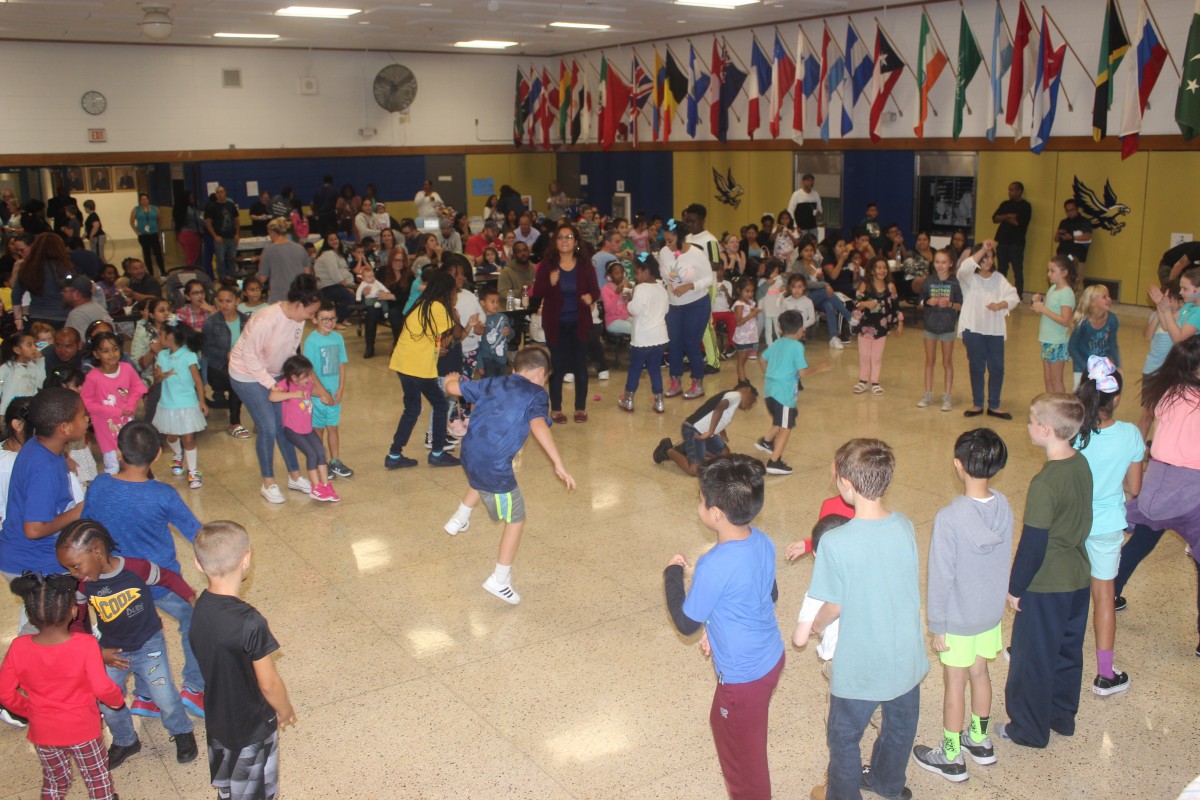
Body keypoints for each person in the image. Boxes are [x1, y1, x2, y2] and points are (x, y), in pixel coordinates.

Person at [806, 438, 927, 800]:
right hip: (906, 657)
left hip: (861, 665)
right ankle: (889, 785)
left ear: (847, 484)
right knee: (900, 727)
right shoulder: (905, 525)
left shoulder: (835, 543)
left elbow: (834, 605)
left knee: (843, 737)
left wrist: (816, 625)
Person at [663, 454, 783, 799]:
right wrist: (716, 630)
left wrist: (672, 574)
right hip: (770, 656)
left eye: (700, 498)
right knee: (723, 721)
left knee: (745, 765)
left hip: (743, 676)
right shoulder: (762, 540)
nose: (698, 503)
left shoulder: (713, 564)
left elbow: (686, 622)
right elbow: (766, 594)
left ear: (715, 513)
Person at [55, 519, 198, 768]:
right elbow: (78, 621)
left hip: (149, 645)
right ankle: (125, 740)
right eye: (69, 568)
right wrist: (96, 651)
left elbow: (168, 578)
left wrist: (191, 597)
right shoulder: (82, 584)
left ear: (98, 551)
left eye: (76, 566)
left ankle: (182, 730)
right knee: (108, 701)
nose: (74, 574)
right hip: (111, 652)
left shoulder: (136, 569)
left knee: (164, 696)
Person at [911, 429, 1012, 782]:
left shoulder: (950, 517)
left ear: (958, 465)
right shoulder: (1004, 506)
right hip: (990, 615)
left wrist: (937, 623)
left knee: (955, 683)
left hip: (957, 619)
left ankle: (951, 756)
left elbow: (941, 574)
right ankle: (980, 741)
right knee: (981, 673)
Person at [442, 346, 575, 603]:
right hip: (494, 465)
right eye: (545, 378)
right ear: (539, 373)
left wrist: (450, 381)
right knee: (516, 518)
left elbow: (453, 389)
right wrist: (557, 463)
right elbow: (538, 425)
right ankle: (499, 580)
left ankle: (459, 518)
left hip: (468, 454)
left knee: (481, 477)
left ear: (515, 370)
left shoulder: (495, 381)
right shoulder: (537, 394)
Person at [997, 393, 1092, 749]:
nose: (1027, 426)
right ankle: (1060, 716)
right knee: (1067, 651)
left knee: (1031, 658)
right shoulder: (1080, 463)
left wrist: (1016, 587)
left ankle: (1028, 729)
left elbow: (1034, 543)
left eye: (1032, 420)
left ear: (1046, 430)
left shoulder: (1044, 483)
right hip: (1079, 577)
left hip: (1046, 584)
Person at [190, 520, 296, 800]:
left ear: (198, 565)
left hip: (218, 720)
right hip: (252, 727)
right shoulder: (250, 622)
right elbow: (269, 683)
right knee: (255, 791)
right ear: (246, 559)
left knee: (229, 785)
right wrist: (284, 710)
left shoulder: (200, 608)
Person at [0, 572, 126, 800]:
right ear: (74, 611)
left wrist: (29, 710)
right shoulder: (86, 645)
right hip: (83, 730)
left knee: (55, 780)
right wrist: (117, 701)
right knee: (97, 778)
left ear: (29, 615)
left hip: (43, 732)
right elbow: (102, 688)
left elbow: (4, 692)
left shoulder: (19, 647)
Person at [1112, 336, 1200, 652]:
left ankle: (1110, 592)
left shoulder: (1167, 394)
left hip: (1158, 488)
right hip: (1193, 494)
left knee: (1141, 541)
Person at [1070, 359, 1143, 698]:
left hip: (1070, 523)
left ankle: (1031, 648)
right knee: (1103, 597)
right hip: (1106, 527)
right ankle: (1104, 675)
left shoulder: (1072, 431)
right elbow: (1135, 488)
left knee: (1062, 592)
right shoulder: (1130, 434)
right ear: (1115, 399)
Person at [790, 513, 874, 800]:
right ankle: (885, 772)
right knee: (881, 715)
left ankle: (837, 790)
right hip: (878, 658)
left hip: (843, 667)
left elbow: (799, 640)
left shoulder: (818, 589)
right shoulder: (871, 571)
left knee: (841, 735)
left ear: (815, 554)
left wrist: (815, 626)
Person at [385, 270, 461, 469]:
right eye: (454, 292)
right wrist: (454, 312)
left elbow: (427, 336)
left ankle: (394, 454)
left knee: (412, 408)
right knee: (441, 405)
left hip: (403, 363)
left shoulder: (422, 304)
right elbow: (454, 333)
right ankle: (437, 453)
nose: (456, 295)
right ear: (447, 291)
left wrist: (436, 348)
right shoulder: (439, 308)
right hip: (418, 366)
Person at [530, 222, 600, 423]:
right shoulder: (547, 264)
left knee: (580, 367)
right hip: (556, 323)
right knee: (557, 368)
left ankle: (580, 408)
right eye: (561, 237)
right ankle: (557, 409)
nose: (565, 241)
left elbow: (595, 290)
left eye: (569, 237)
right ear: (555, 242)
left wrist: (590, 298)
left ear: (576, 241)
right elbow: (537, 292)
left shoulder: (585, 265)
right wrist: (549, 282)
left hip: (579, 323)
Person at [757, 310, 824, 476]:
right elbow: (802, 372)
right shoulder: (797, 346)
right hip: (784, 394)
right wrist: (820, 367)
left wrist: (768, 373)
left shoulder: (777, 343)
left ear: (779, 327)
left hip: (769, 392)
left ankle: (766, 442)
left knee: (779, 421)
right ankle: (774, 461)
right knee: (786, 427)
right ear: (802, 329)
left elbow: (761, 358)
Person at [958, 240, 1020, 420]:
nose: (988, 261)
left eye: (990, 257)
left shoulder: (999, 278)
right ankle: (977, 403)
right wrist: (983, 249)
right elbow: (964, 268)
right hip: (973, 329)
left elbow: (1014, 296)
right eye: (984, 258)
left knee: (997, 368)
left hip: (994, 331)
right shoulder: (969, 279)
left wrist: (1000, 304)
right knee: (976, 367)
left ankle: (994, 404)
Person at [268, 355, 339, 502]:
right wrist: (292, 394)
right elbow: (272, 397)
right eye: (306, 376)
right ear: (294, 377)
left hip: (307, 429)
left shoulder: (305, 384)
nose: (310, 379)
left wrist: (322, 395)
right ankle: (316, 487)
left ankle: (326, 485)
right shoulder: (286, 384)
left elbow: (312, 390)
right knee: (312, 454)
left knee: (321, 452)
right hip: (292, 430)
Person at [652, 383, 757, 478]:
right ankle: (667, 450)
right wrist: (711, 431)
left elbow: (719, 415)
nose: (750, 406)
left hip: (704, 432)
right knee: (695, 470)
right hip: (694, 429)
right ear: (746, 390)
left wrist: (722, 432)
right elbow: (719, 408)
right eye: (752, 401)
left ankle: (687, 449)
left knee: (725, 455)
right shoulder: (736, 395)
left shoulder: (731, 397)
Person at [662, 216, 715, 400]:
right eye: (665, 240)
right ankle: (675, 381)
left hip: (697, 304)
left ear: (681, 237)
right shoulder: (663, 253)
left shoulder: (697, 254)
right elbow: (665, 275)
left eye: (670, 240)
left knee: (691, 343)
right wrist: (668, 285)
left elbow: (709, 279)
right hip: (674, 306)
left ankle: (697, 383)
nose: (667, 244)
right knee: (675, 343)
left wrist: (689, 286)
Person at [80, 332, 145, 474]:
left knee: (131, 460)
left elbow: (137, 386)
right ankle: (112, 491)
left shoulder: (127, 368)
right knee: (113, 466)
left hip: (127, 424)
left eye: (115, 349)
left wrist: (130, 404)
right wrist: (115, 412)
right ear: (96, 354)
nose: (112, 354)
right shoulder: (93, 377)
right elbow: (87, 402)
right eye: (105, 350)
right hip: (107, 429)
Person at [302, 302, 352, 479]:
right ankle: (320, 461)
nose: (329, 322)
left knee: (333, 427)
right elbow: (310, 370)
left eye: (332, 318)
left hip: (334, 394)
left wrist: (341, 388)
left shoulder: (337, 337)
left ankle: (335, 460)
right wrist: (322, 392)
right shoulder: (311, 341)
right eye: (324, 319)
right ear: (315, 319)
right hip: (318, 396)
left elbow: (341, 363)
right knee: (318, 430)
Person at [618, 253, 669, 413]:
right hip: (660, 337)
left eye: (637, 272)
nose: (636, 275)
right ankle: (659, 401)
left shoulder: (640, 288)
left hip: (643, 338)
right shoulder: (661, 286)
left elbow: (635, 310)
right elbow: (665, 309)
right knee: (654, 369)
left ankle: (628, 399)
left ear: (646, 271)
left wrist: (629, 301)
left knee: (635, 368)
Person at [202, 286, 251, 439]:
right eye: (221, 301)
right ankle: (234, 423)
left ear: (237, 301)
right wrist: (226, 354)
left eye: (228, 301)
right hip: (217, 365)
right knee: (236, 381)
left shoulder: (246, 321)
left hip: (241, 364)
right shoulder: (211, 322)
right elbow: (206, 348)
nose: (224, 305)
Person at [917, 249, 963, 412]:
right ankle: (928, 394)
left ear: (950, 264)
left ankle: (947, 396)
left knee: (947, 362)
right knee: (929, 360)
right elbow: (920, 303)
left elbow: (960, 305)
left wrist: (949, 305)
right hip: (930, 326)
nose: (940, 265)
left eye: (944, 262)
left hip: (947, 327)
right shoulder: (928, 282)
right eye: (937, 262)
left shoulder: (955, 283)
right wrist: (928, 301)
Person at [852, 257, 903, 396]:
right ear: (872, 270)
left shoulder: (890, 286)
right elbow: (856, 303)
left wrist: (900, 323)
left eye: (884, 267)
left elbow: (896, 306)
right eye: (878, 267)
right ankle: (862, 381)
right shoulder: (865, 285)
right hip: (865, 327)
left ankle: (875, 382)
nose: (882, 270)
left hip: (881, 328)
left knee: (876, 357)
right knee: (864, 355)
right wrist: (865, 304)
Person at [1029, 256, 1077, 393]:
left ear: (1064, 273)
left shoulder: (1066, 293)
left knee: (1056, 379)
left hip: (1057, 341)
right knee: (1048, 377)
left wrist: (1044, 309)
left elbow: (1066, 320)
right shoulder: (1053, 289)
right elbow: (1051, 309)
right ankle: (1050, 406)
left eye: (1052, 270)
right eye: (1048, 270)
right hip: (1047, 340)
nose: (1048, 274)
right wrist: (1039, 302)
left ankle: (1061, 409)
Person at [13, 233, 73, 329]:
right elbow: (72, 292)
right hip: (61, 316)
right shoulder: (65, 268)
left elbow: (16, 294)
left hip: (36, 317)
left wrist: (18, 319)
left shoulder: (28, 267)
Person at [1068, 285, 1120, 389]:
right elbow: (1072, 348)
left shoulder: (1112, 320)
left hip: (1102, 368)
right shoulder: (1082, 323)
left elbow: (1113, 345)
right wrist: (1087, 369)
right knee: (1082, 396)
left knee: (1102, 398)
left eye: (1109, 296)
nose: (1109, 299)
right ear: (1092, 302)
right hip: (1082, 368)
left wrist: (1117, 366)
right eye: (1104, 297)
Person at [257, 217, 311, 304]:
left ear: (272, 232)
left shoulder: (268, 250)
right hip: (299, 295)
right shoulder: (300, 248)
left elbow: (262, 278)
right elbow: (307, 273)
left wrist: (260, 265)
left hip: (279, 295)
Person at [991, 182, 1032, 297]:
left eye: (1013, 190)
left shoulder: (1025, 206)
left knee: (1017, 270)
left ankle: (1018, 295)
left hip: (1016, 243)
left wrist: (1003, 217)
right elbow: (995, 218)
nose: (1010, 192)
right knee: (1001, 269)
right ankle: (1000, 293)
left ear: (1020, 191)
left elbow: (1017, 222)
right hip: (1002, 241)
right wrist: (1008, 215)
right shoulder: (1005, 204)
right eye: (1009, 190)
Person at [0, 332, 46, 417]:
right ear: (17, 350)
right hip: (8, 411)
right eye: (29, 345)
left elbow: (41, 383)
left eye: (35, 345)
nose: (34, 348)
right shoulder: (8, 367)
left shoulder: (33, 367)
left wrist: (40, 361)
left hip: (28, 411)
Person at [314, 232, 356, 326]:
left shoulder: (338, 254)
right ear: (327, 242)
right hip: (328, 286)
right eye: (331, 240)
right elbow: (335, 273)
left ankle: (342, 317)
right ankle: (337, 321)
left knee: (356, 296)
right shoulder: (328, 254)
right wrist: (347, 286)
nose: (334, 241)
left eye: (335, 239)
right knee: (350, 299)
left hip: (337, 284)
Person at [730, 278, 762, 387]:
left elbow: (753, 319)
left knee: (744, 361)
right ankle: (742, 382)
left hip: (750, 336)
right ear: (739, 290)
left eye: (752, 291)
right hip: (743, 338)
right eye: (747, 291)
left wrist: (755, 313)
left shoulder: (750, 303)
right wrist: (751, 315)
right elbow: (738, 322)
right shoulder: (739, 304)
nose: (750, 294)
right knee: (741, 361)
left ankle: (742, 378)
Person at [204, 187, 241, 279]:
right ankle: (222, 280)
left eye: (221, 192)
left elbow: (236, 220)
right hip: (220, 238)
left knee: (231, 260)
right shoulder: (211, 206)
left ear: (225, 193)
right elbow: (208, 223)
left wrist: (237, 234)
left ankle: (232, 279)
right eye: (217, 192)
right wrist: (215, 236)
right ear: (216, 195)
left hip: (231, 237)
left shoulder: (230, 205)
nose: (220, 194)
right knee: (220, 260)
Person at [63, 275, 112, 339]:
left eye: (65, 291)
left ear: (76, 294)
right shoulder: (99, 308)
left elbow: (83, 347)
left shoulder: (77, 315)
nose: (62, 293)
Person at [478, 288, 512, 378]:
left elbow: (512, 335)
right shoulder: (480, 320)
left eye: (497, 302)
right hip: (487, 359)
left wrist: (508, 332)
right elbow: (478, 344)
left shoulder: (503, 317)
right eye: (492, 302)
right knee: (489, 385)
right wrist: (480, 363)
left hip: (502, 358)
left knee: (501, 383)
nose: (495, 305)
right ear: (482, 303)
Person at [129, 193, 165, 276]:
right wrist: (137, 232)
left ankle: (162, 271)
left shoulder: (154, 209)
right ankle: (150, 272)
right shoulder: (136, 209)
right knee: (147, 253)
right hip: (143, 235)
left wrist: (157, 229)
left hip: (153, 233)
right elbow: (131, 221)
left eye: (145, 199)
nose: (144, 201)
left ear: (148, 200)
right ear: (140, 201)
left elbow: (160, 219)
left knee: (158, 253)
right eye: (142, 199)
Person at [1054, 199, 1092, 269]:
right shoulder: (1064, 222)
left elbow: (1087, 236)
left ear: (1077, 209)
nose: (1070, 212)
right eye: (1067, 210)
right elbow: (1056, 239)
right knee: (1061, 279)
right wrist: (1059, 234)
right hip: (1062, 256)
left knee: (1075, 278)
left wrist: (1072, 238)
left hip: (1077, 256)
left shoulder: (1084, 221)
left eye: (1072, 210)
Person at [788, 172, 823, 240]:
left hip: (813, 228)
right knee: (802, 247)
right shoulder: (797, 194)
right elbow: (790, 211)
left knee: (813, 246)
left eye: (812, 181)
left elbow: (820, 209)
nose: (810, 182)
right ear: (803, 182)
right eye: (808, 180)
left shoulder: (816, 194)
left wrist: (818, 212)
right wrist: (795, 226)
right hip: (800, 228)